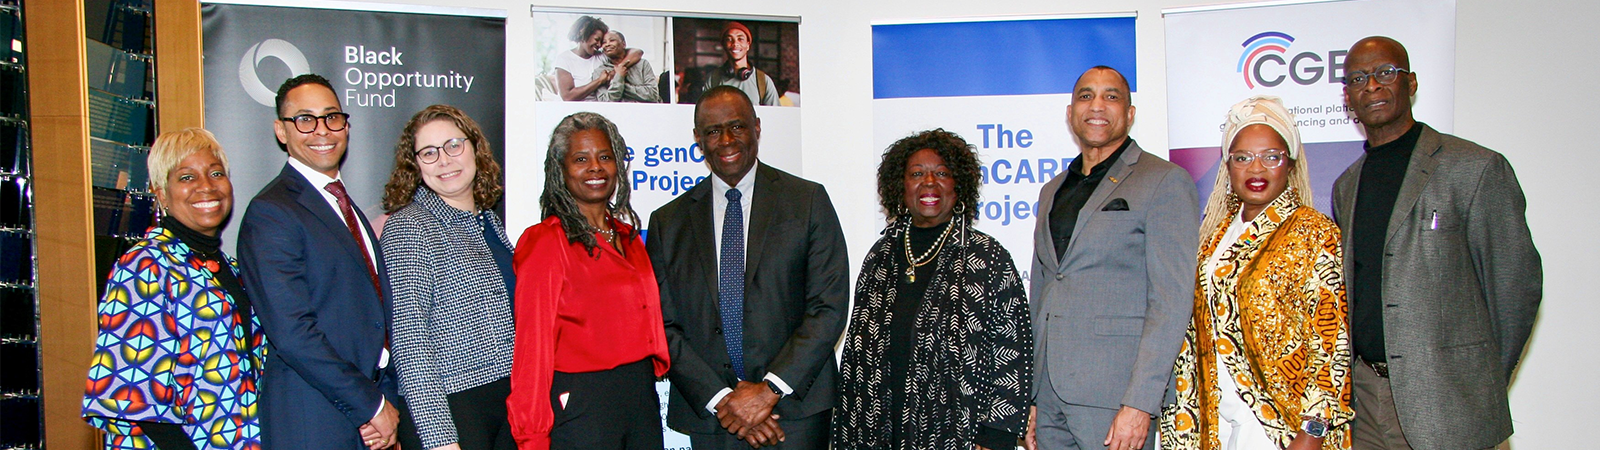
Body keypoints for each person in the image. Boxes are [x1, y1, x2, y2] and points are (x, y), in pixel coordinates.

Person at [1332, 36, 1541, 450]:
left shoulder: (1475, 168)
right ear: (1348, 98)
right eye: (1358, 78)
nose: (1371, 85)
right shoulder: (1346, 185)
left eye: (1385, 73)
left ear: (1410, 83)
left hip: (1449, 405)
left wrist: (1478, 384)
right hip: (1365, 406)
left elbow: (1515, 288)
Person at [646, 85, 848, 449]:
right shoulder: (668, 222)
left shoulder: (807, 201)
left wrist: (768, 391)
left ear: (757, 127)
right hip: (713, 419)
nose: (726, 140)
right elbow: (663, 324)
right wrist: (726, 402)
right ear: (698, 139)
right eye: (712, 131)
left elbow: (828, 307)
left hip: (795, 414)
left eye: (737, 126)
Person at [1159, 96, 1353, 450]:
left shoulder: (1313, 232)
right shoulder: (1213, 236)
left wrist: (1313, 431)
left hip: (1279, 425)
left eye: (1271, 156)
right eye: (1243, 158)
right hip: (1214, 421)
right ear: (1228, 166)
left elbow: (1331, 344)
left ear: (1290, 164)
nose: (1256, 169)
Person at [1026, 65, 1199, 450]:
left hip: (1115, 396)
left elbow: (1171, 301)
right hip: (1050, 396)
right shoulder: (1052, 190)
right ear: (1070, 112)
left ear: (1130, 113)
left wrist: (1140, 402)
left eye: (1111, 96)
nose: (1097, 106)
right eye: (1086, 96)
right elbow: (1043, 293)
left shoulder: (1163, 180)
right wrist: (1032, 397)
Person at [832, 129, 1033, 450]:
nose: (929, 182)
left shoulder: (987, 257)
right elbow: (857, 353)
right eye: (916, 174)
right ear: (900, 187)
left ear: (958, 186)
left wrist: (996, 435)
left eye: (941, 173)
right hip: (878, 429)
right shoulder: (880, 257)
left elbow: (1012, 350)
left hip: (961, 433)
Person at [239, 74, 410, 450]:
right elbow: (292, 333)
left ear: (346, 126)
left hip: (367, 421)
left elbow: (377, 317)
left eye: (332, 117)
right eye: (305, 119)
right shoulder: (272, 211)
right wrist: (371, 405)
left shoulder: (345, 206)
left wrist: (384, 402)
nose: (322, 130)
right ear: (281, 131)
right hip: (312, 421)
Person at [81, 128, 264, 450]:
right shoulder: (146, 265)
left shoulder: (234, 269)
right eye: (186, 177)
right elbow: (131, 394)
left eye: (216, 173)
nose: (206, 186)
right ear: (162, 195)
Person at [505, 112, 670, 449]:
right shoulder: (546, 242)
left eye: (605, 157)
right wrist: (532, 437)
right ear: (560, 170)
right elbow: (532, 350)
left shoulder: (627, 237)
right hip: (582, 404)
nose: (596, 168)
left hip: (640, 396)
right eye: (581, 159)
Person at [380, 105, 516, 450]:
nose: (444, 160)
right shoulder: (409, 226)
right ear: (415, 165)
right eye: (429, 153)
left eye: (454, 145)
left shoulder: (488, 221)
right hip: (452, 408)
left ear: (474, 148)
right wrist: (439, 438)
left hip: (508, 402)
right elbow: (409, 339)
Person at [700, 21, 780, 106]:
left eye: (740, 39)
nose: (735, 44)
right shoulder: (713, 79)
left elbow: (775, 113)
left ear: (748, 45)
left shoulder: (763, 81)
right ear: (724, 45)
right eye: (729, 39)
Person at [594, 31, 660, 103]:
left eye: (612, 40)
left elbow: (653, 95)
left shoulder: (642, 64)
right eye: (604, 42)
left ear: (624, 44)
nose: (607, 44)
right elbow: (606, 102)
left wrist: (617, 80)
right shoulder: (601, 72)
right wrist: (619, 77)